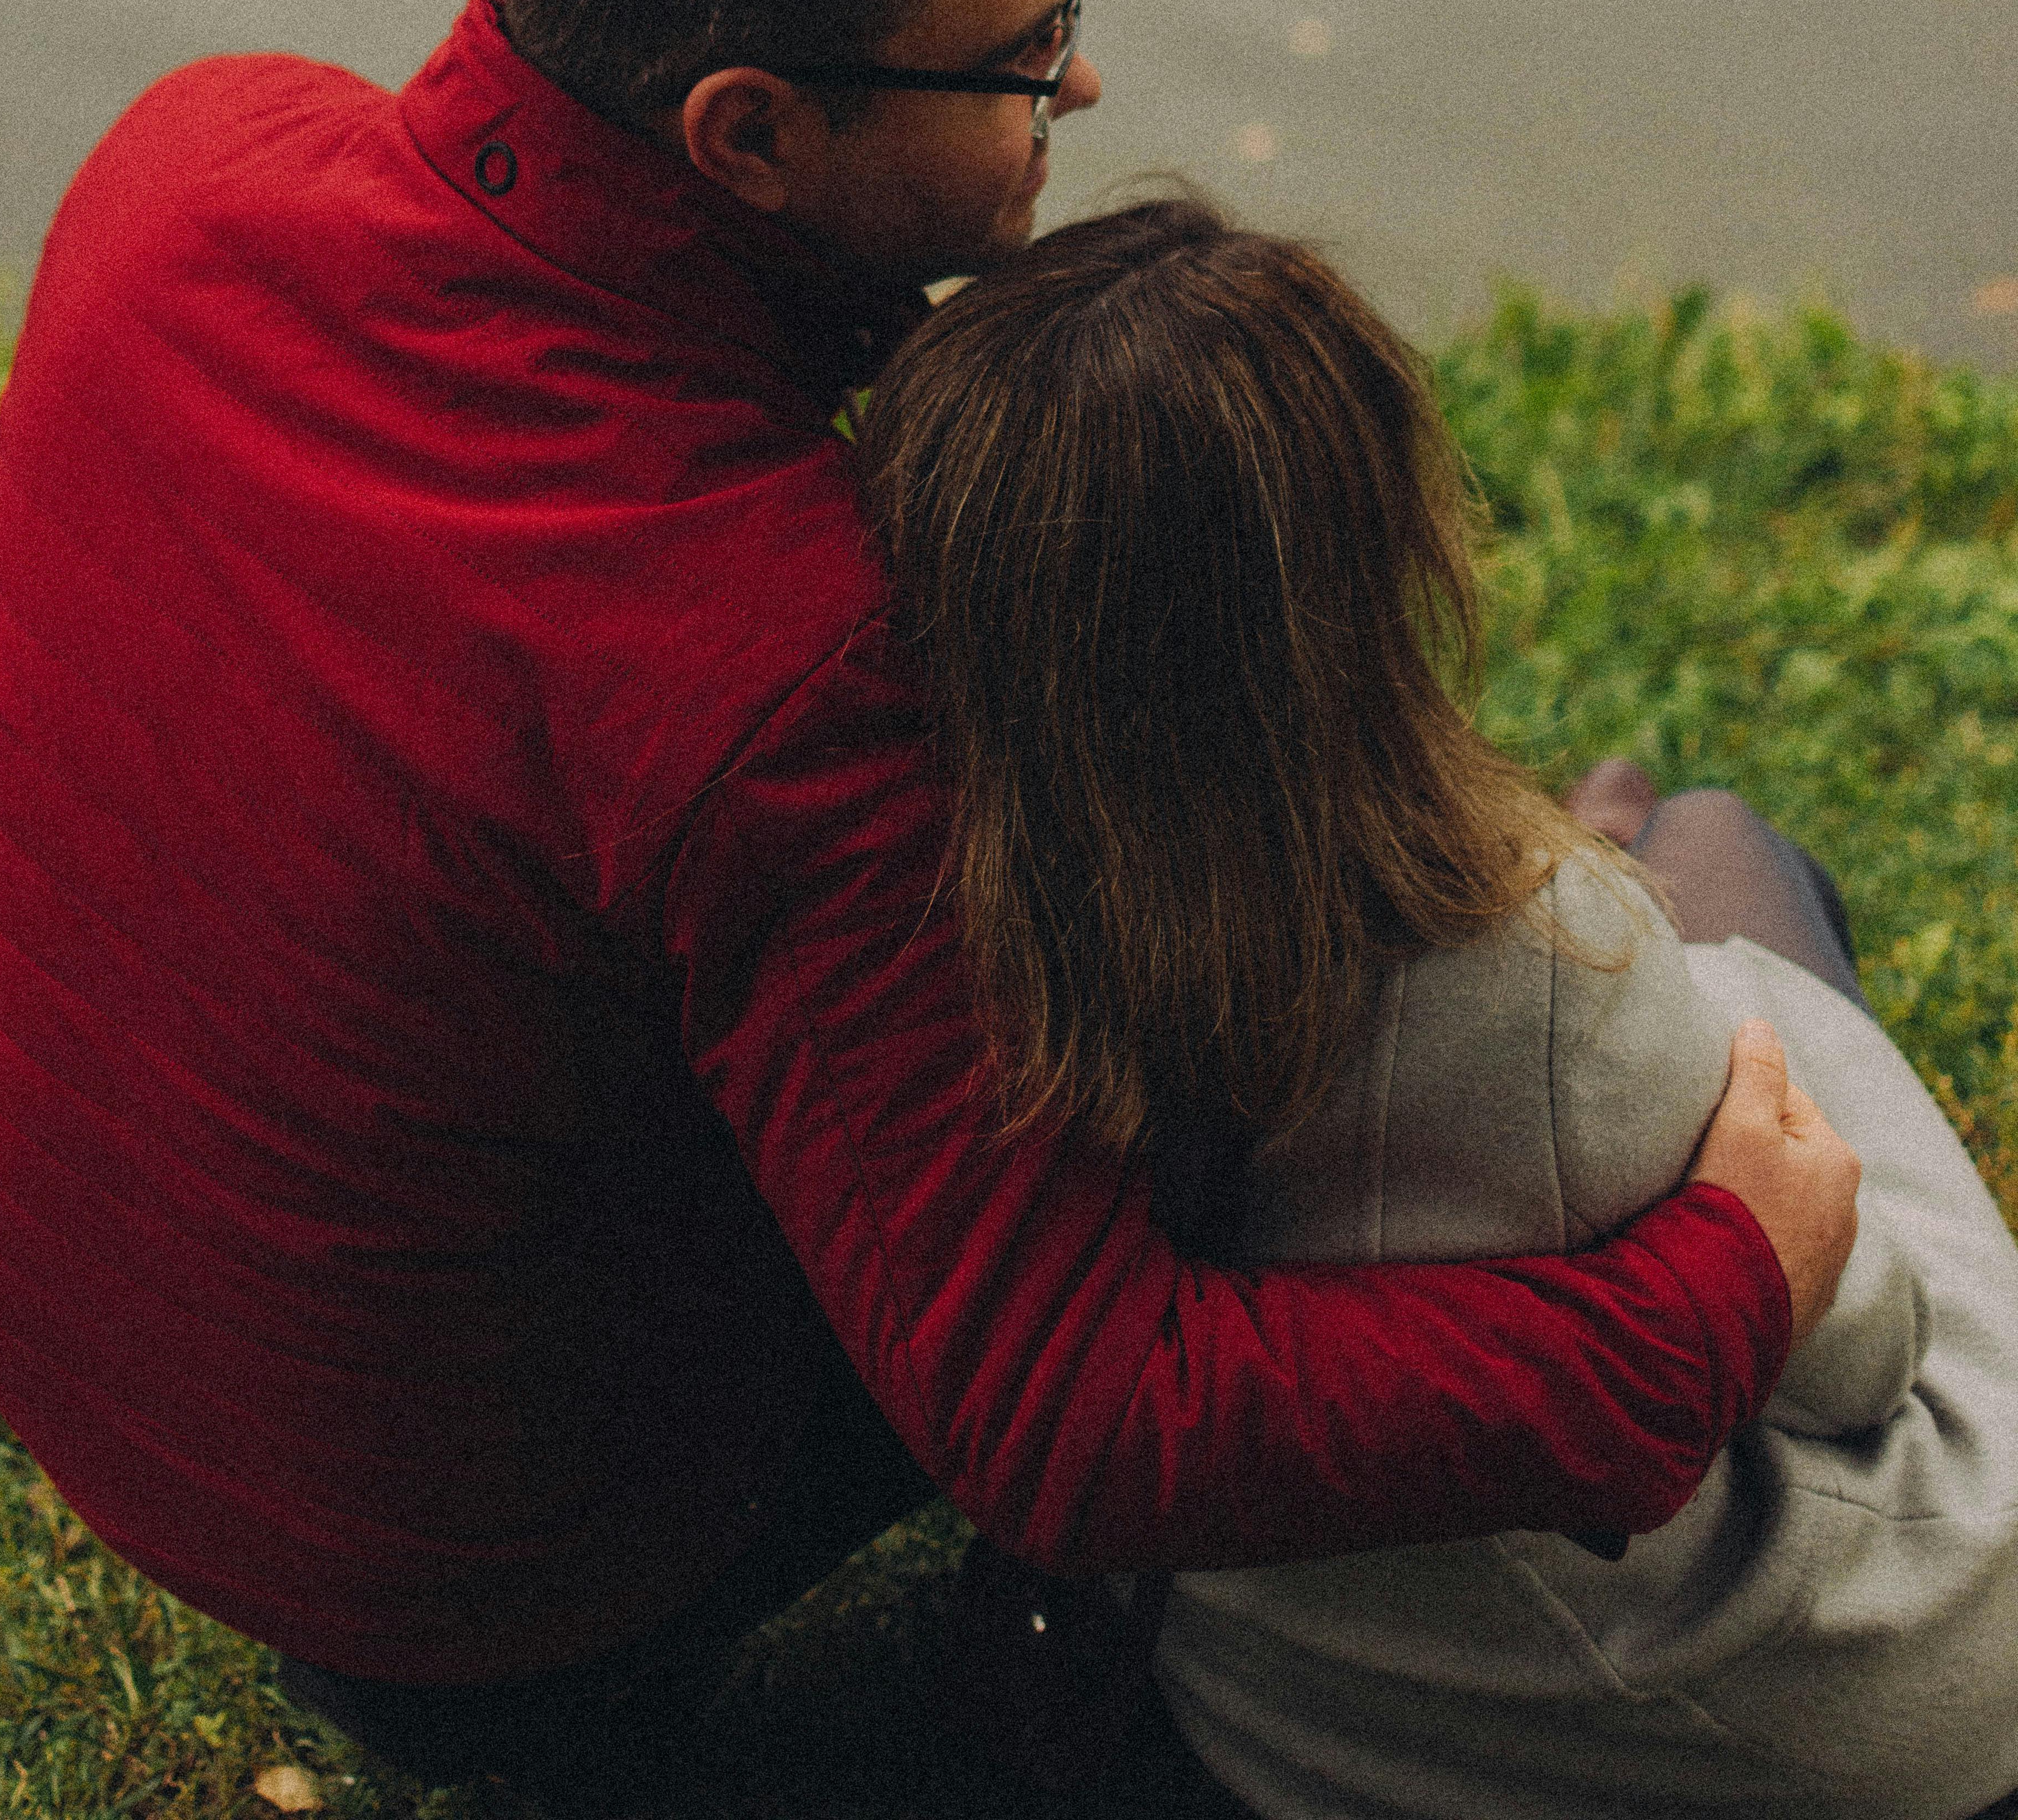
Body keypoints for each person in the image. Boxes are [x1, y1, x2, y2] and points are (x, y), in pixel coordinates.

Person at [0, 0, 1855, 1805]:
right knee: (1465, 995)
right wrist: (1697, 1311)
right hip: (479, 1593)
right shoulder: (778, 664)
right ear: (748, 131)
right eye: (1016, 61)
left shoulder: (188, 155)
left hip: (83, 1360)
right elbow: (1080, 1416)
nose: (1080, 82)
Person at [856, 195, 2018, 1820]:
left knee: (1656, 875)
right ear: (1370, 546)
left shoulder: (914, 939)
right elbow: (1858, 1345)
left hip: (1291, 1713)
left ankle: (1615, 832)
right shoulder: (1539, 990)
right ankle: (1632, 843)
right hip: (1738, 1724)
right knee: (1730, 856)